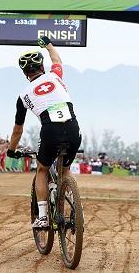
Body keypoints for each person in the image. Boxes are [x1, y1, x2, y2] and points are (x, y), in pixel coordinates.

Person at [6, 36, 82, 229]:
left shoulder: (23, 95)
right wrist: (48, 44)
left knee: (42, 169)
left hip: (50, 130)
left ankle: (43, 217)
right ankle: (71, 201)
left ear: (25, 73)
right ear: (42, 67)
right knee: (65, 171)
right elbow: (57, 60)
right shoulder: (55, 76)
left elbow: (18, 129)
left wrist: (11, 149)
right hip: (73, 127)